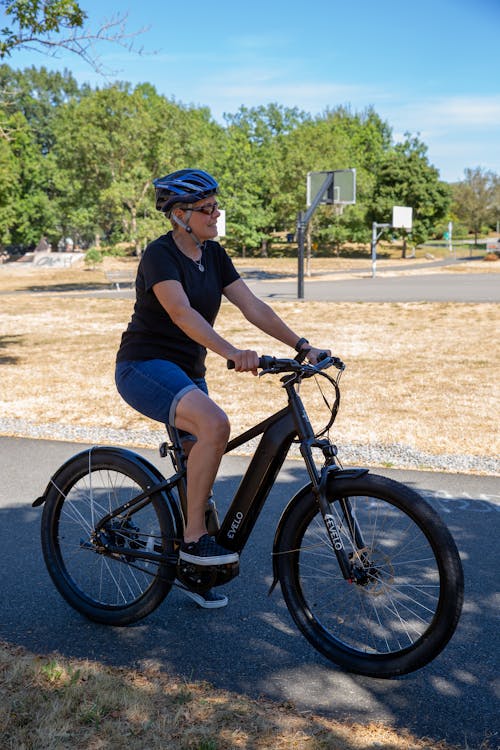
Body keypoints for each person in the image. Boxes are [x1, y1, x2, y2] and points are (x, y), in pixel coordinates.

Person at [115, 168, 329, 609]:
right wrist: (232, 351)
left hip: (187, 372)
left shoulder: (213, 254)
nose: (216, 215)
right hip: (143, 367)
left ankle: (194, 572)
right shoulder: (159, 257)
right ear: (179, 215)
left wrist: (302, 346)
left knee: (202, 468)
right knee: (215, 424)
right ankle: (193, 539)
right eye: (206, 209)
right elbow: (181, 314)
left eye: (216, 206)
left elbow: (252, 305)